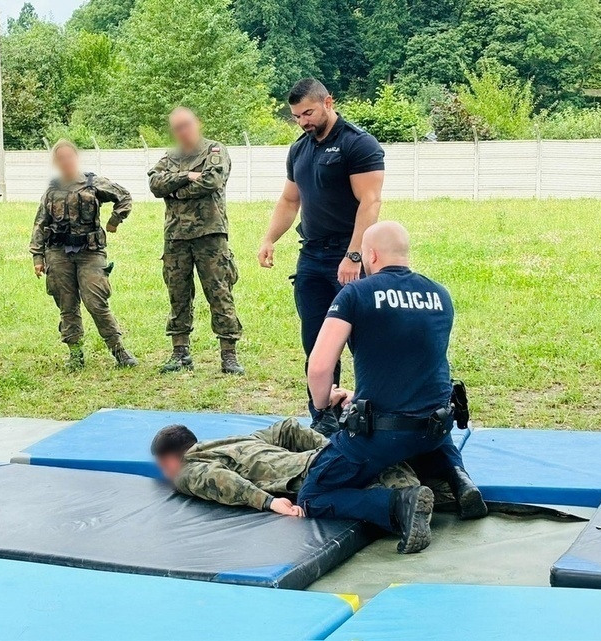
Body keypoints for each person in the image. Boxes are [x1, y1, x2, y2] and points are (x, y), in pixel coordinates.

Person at [300, 221, 486, 552]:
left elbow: (319, 365)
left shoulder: (356, 294)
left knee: (314, 493)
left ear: (370, 255)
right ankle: (458, 478)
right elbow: (413, 366)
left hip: (384, 434)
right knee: (426, 434)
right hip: (436, 427)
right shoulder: (439, 293)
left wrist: (325, 401)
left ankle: (399, 505)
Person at [258, 78, 384, 416]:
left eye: (308, 113)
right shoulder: (300, 149)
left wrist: (354, 255)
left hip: (349, 255)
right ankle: (324, 415)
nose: (303, 122)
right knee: (317, 343)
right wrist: (269, 238)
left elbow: (370, 202)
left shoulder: (358, 144)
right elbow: (289, 200)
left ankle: (372, 412)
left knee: (364, 341)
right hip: (311, 257)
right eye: (297, 116)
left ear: (329, 102)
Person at [150, 412, 427, 534]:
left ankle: (402, 503)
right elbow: (287, 428)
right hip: (326, 458)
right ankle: (435, 490)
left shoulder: (188, 469)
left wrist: (269, 502)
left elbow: (220, 481)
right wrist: (334, 448)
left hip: (310, 474)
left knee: (314, 501)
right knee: (396, 473)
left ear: (171, 460)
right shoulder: (236, 441)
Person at [148, 107, 243, 375]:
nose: (182, 131)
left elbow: (211, 181)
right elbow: (155, 184)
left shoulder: (215, 151)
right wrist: (185, 176)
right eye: (177, 127)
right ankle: (180, 352)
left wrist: (175, 192)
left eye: (186, 125)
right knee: (177, 294)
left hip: (210, 234)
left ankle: (228, 354)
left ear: (197, 124)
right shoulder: (169, 156)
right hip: (176, 236)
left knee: (219, 292)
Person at [30, 140, 138, 370]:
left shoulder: (93, 183)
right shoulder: (52, 188)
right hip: (58, 253)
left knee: (95, 301)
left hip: (90, 252)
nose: (65, 162)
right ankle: (75, 353)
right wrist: (37, 257)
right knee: (67, 305)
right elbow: (41, 222)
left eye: (69, 157)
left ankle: (118, 349)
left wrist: (115, 220)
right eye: (60, 158)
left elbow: (124, 197)